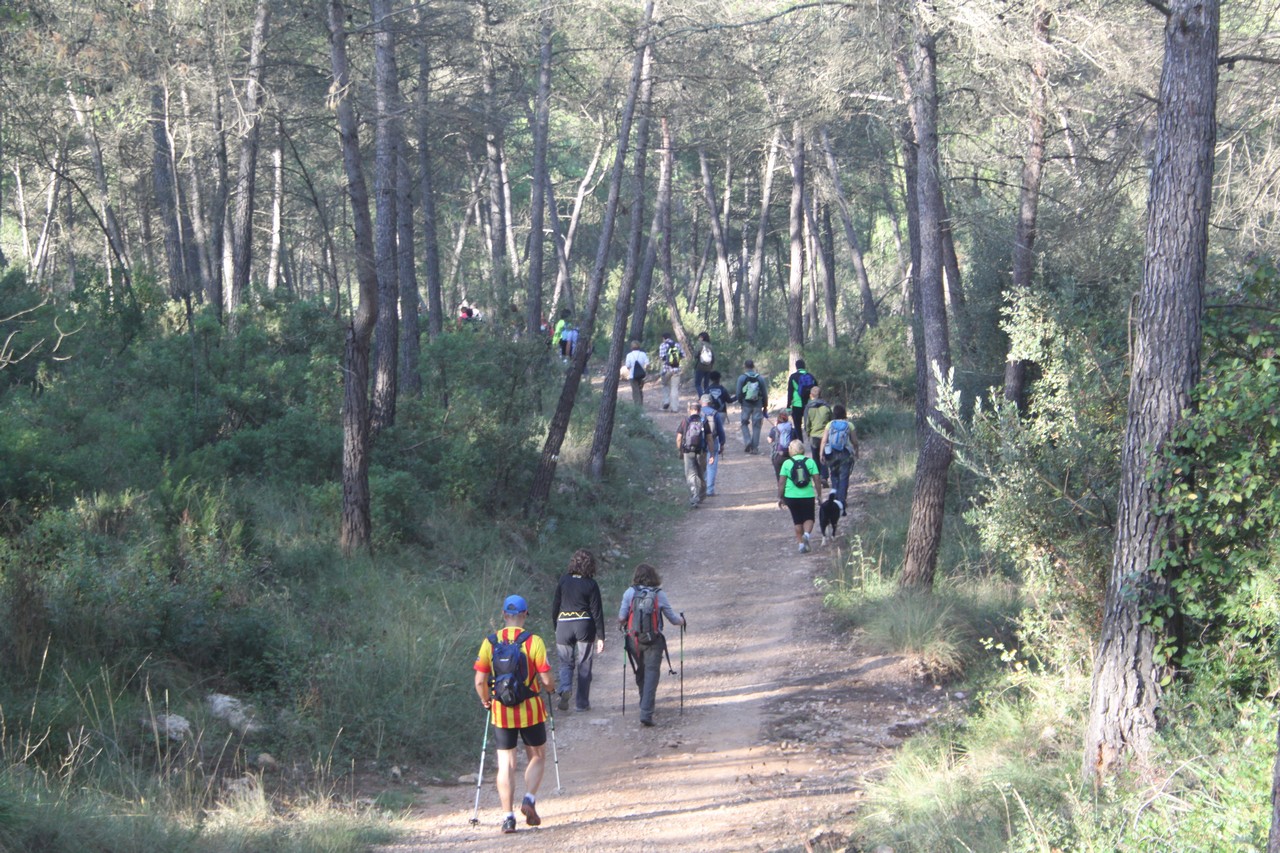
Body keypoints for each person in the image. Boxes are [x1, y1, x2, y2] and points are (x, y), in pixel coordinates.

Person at [473, 595, 556, 833]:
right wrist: (551, 689)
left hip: (501, 711)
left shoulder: (490, 642)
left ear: (503, 615)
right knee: (537, 756)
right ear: (525, 615)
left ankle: (508, 818)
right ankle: (529, 799)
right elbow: (546, 679)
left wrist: (486, 700)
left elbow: (480, 681)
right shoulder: (534, 642)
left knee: (506, 764)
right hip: (531, 709)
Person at [617, 563, 686, 727]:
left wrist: (627, 623)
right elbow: (673, 619)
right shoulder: (659, 594)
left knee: (641, 670)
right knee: (651, 673)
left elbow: (621, 618)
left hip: (634, 640)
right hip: (654, 641)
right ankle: (646, 711)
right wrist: (683, 620)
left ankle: (644, 702)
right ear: (654, 577)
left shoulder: (629, 592)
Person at [551, 549, 606, 712]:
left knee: (565, 662)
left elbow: (555, 606)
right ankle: (582, 703)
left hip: (564, 625)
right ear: (591, 565)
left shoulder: (563, 580)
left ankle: (565, 688)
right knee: (584, 664)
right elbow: (597, 612)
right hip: (584, 625)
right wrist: (601, 636)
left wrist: (556, 627)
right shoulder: (591, 584)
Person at [778, 439, 822, 554]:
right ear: (802, 449)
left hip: (791, 496)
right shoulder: (810, 462)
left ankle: (801, 545)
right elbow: (817, 479)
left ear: (790, 450)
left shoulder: (787, 463)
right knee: (809, 518)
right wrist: (819, 494)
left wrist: (780, 497)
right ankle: (806, 535)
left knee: (797, 520)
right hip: (807, 495)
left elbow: (781, 482)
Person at [818, 404, 858, 508]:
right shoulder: (849, 425)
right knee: (844, 477)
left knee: (834, 476)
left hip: (832, 454)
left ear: (834, 414)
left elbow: (824, 440)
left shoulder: (830, 424)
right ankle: (842, 500)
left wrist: (821, 453)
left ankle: (835, 499)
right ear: (844, 413)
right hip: (845, 454)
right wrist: (856, 452)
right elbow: (854, 441)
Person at [677, 399, 710, 507]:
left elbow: (679, 438)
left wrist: (680, 450)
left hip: (688, 451)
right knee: (701, 473)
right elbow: (709, 438)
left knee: (691, 474)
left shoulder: (685, 421)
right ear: (700, 410)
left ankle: (694, 497)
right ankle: (702, 494)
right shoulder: (704, 421)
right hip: (701, 451)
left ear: (690, 410)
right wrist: (712, 452)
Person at [803, 385, 834, 486]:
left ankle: (818, 477)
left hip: (814, 436)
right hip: (825, 435)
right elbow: (832, 420)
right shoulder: (826, 406)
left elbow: (807, 423)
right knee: (824, 456)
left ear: (811, 395)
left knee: (816, 457)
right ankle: (824, 477)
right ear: (821, 395)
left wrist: (808, 433)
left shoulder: (808, 407)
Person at [736, 360, 768, 454]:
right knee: (757, 426)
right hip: (758, 405)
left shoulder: (742, 378)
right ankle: (755, 448)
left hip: (746, 404)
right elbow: (764, 394)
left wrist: (741, 402)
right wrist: (765, 406)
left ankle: (747, 441)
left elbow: (738, 393)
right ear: (753, 366)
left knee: (744, 423)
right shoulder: (760, 378)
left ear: (745, 366)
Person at [699, 393, 726, 497]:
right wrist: (722, 443)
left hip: (699, 442)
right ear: (710, 403)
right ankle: (709, 490)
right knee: (711, 465)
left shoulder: (697, 412)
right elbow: (720, 430)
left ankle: (700, 489)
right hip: (713, 441)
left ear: (701, 402)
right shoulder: (714, 413)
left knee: (700, 466)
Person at [786, 359, 816, 442]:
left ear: (796, 367)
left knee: (797, 425)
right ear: (804, 366)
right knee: (810, 423)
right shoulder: (811, 376)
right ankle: (812, 440)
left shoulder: (793, 377)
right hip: (809, 404)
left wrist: (788, 406)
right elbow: (816, 389)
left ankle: (800, 442)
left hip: (797, 404)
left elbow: (790, 392)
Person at [658, 331, 684, 411]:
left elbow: (662, 357)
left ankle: (666, 401)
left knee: (665, 385)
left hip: (666, 370)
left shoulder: (662, 345)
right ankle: (674, 408)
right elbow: (683, 355)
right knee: (674, 388)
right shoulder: (677, 345)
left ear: (663, 338)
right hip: (676, 370)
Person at [767, 410, 796, 477]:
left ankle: (781, 483)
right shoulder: (792, 429)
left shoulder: (775, 429)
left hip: (778, 455)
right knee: (790, 475)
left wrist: (775, 427)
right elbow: (796, 440)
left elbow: (770, 440)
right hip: (790, 455)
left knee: (780, 476)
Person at [623, 341, 650, 406]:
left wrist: (631, 369)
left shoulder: (629, 355)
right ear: (639, 346)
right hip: (641, 376)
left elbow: (628, 366)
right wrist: (645, 371)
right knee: (640, 390)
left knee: (635, 391)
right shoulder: (643, 354)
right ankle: (640, 404)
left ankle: (637, 406)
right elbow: (647, 364)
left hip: (632, 376)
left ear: (631, 347)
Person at [693, 332, 715, 397]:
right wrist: (711, 366)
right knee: (706, 385)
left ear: (702, 338)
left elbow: (695, 355)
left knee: (698, 384)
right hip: (708, 367)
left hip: (700, 366)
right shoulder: (710, 345)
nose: (699, 339)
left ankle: (702, 397)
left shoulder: (699, 344)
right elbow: (713, 358)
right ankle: (707, 398)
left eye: (699, 337)